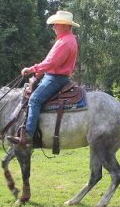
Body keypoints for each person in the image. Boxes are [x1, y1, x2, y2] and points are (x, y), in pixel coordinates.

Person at [7, 11, 79, 148]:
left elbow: (52, 63)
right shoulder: (67, 39)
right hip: (53, 76)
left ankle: (27, 135)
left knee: (34, 99)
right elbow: (51, 62)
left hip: (55, 78)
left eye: (56, 24)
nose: (54, 27)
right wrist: (39, 72)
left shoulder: (64, 42)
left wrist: (33, 69)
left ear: (65, 26)